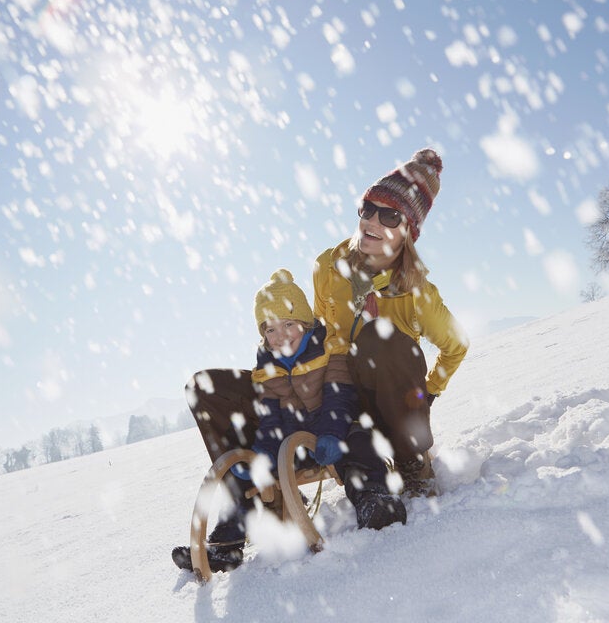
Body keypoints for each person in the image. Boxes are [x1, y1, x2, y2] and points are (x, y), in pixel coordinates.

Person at [172, 269, 405, 575]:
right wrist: (263, 457)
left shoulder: (329, 348)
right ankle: (225, 545)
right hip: (294, 444)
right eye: (269, 330)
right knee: (246, 477)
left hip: (336, 427)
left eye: (288, 324)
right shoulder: (268, 369)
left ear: (306, 323)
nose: (280, 336)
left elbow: (340, 397)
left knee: (358, 442)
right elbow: (270, 422)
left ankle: (372, 498)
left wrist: (330, 434)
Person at [311, 147, 469, 497]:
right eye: (368, 209)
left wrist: (428, 393)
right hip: (341, 395)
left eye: (390, 217)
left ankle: (411, 459)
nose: (371, 221)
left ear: (409, 232)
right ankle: (257, 500)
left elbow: (456, 345)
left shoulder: (418, 292)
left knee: (380, 339)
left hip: (393, 397)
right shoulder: (327, 266)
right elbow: (322, 329)